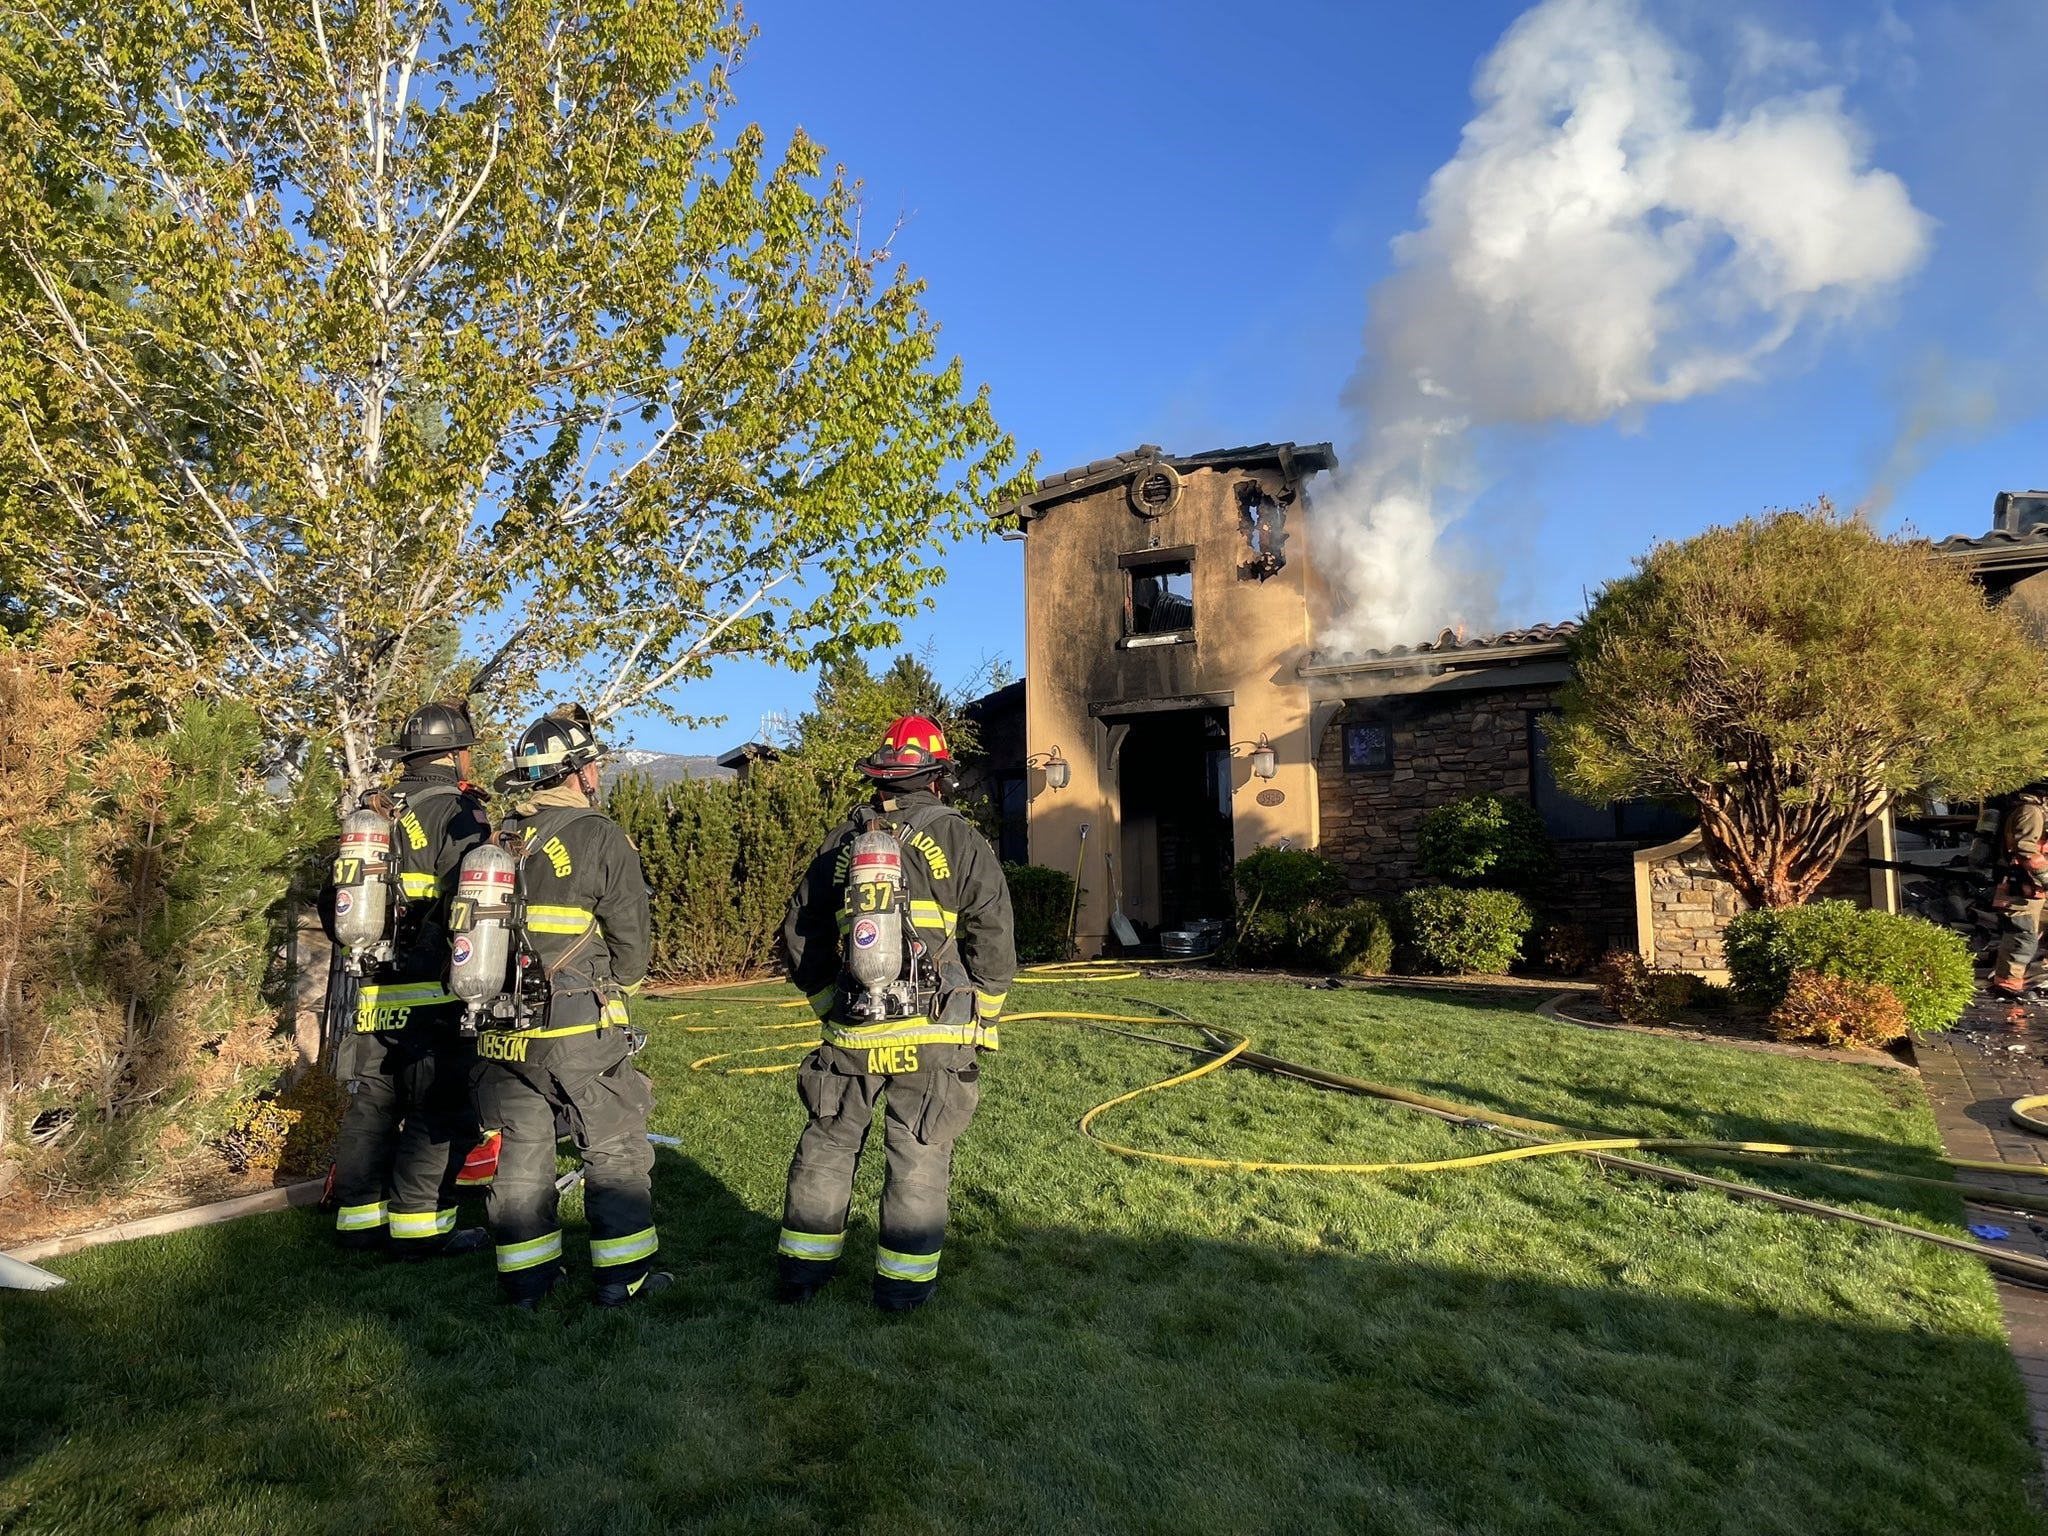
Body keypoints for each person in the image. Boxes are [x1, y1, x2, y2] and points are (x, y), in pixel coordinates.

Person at [775, 715, 1017, 1311]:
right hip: (934, 1030)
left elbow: (798, 933)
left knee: (828, 1147)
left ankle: (802, 1277)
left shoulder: (840, 843)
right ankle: (902, 1293)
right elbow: (993, 930)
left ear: (881, 779)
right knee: (918, 1151)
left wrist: (828, 1002)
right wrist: (982, 1010)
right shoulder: (959, 838)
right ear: (937, 779)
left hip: (852, 1029)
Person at [470, 706, 665, 1308]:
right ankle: (622, 1278)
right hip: (574, 1021)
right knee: (614, 1144)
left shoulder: (500, 840)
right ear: (576, 773)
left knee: (523, 1152)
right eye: (593, 763)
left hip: (501, 1023)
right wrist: (623, 983)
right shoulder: (597, 833)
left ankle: (527, 1283)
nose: (599, 772)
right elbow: (631, 936)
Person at [327, 702, 492, 1256]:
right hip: (435, 987)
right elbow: (469, 901)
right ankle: (420, 1227)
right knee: (436, 1107)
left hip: (373, 984)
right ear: (455, 754)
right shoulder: (459, 811)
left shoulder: (377, 810)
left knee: (372, 1104)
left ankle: (357, 1219)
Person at [1991, 782, 2048, 999]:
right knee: (2022, 936)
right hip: (2022, 887)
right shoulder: (2030, 811)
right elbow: (2025, 848)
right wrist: (2046, 876)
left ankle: (2033, 980)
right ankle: (2007, 986)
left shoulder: (2038, 811)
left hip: (2036, 888)